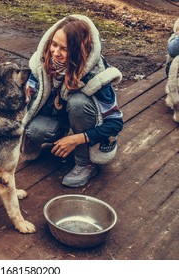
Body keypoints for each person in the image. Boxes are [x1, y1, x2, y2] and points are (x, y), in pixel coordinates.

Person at [21, 15, 123, 188]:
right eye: (54, 44)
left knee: (78, 102)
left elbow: (116, 123)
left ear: (79, 51)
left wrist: (78, 139)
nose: (55, 53)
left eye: (64, 49)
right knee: (34, 130)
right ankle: (62, 136)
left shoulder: (98, 75)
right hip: (60, 116)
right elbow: (29, 103)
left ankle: (85, 164)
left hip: (84, 117)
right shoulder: (41, 64)